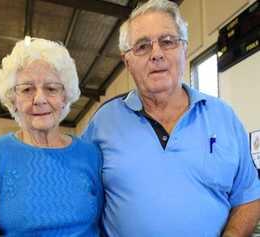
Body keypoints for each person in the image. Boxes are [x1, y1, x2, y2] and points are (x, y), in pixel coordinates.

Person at [82, 0, 260, 236]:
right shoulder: (103, 123)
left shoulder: (223, 117)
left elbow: (248, 195)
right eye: (142, 46)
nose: (156, 54)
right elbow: (79, 195)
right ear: (127, 62)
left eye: (167, 42)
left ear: (184, 51)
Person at [0, 38, 103, 236]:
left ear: (65, 97)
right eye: (27, 89)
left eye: (51, 88)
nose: (40, 99)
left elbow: (104, 225)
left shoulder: (91, 154)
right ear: (13, 99)